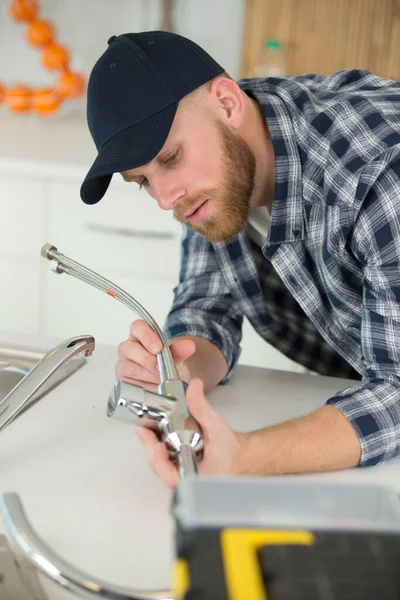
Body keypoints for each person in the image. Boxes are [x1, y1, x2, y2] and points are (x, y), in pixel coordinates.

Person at [80, 31, 400, 489]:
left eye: (170, 158)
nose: (165, 198)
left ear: (228, 104)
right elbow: (205, 310)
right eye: (143, 181)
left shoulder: (378, 170)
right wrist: (177, 370)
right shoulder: (218, 172)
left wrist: (244, 457)